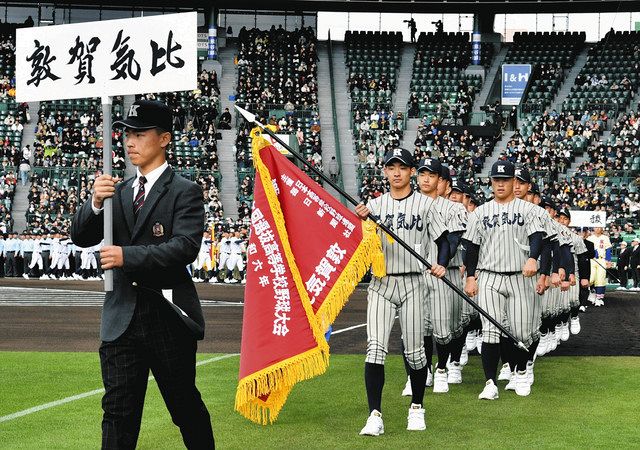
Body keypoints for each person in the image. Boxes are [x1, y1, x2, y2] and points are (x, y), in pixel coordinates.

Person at [70, 100, 215, 449]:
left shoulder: (186, 191)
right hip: (121, 318)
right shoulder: (116, 192)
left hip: (167, 315)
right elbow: (80, 236)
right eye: (127, 134)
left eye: (139, 134)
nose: (129, 141)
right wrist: (94, 204)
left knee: (184, 408)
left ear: (164, 138)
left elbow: (184, 248)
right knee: (118, 414)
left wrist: (125, 256)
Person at [354, 148, 448, 435]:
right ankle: (374, 414)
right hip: (382, 283)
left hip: (413, 283)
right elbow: (361, 243)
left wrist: (441, 263)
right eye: (391, 167)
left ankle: (417, 407)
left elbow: (443, 239)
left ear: (411, 173)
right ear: (385, 172)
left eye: (402, 167)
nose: (396, 172)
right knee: (375, 350)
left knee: (416, 353)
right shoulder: (374, 206)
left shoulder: (426, 205)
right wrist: (362, 220)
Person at [462, 160, 546, 399]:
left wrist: (533, 258)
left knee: (520, 331)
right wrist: (470, 276)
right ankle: (489, 382)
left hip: (520, 277)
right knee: (490, 330)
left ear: (513, 182)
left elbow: (537, 236)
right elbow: (471, 247)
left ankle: (520, 372)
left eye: (505, 180)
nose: (500, 184)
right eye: (496, 180)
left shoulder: (528, 210)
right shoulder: (480, 212)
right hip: (489, 276)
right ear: (491, 182)